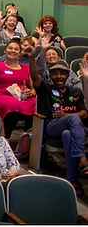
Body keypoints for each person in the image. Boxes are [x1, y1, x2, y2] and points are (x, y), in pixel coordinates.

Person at [30, 57, 87, 193]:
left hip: (72, 129)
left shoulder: (75, 92)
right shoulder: (46, 89)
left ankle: (73, 180)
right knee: (73, 118)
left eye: (62, 73)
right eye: (55, 73)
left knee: (67, 135)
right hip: (52, 126)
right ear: (50, 75)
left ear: (67, 76)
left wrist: (67, 116)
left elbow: (84, 113)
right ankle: (83, 158)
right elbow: (34, 76)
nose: (59, 76)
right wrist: (32, 57)